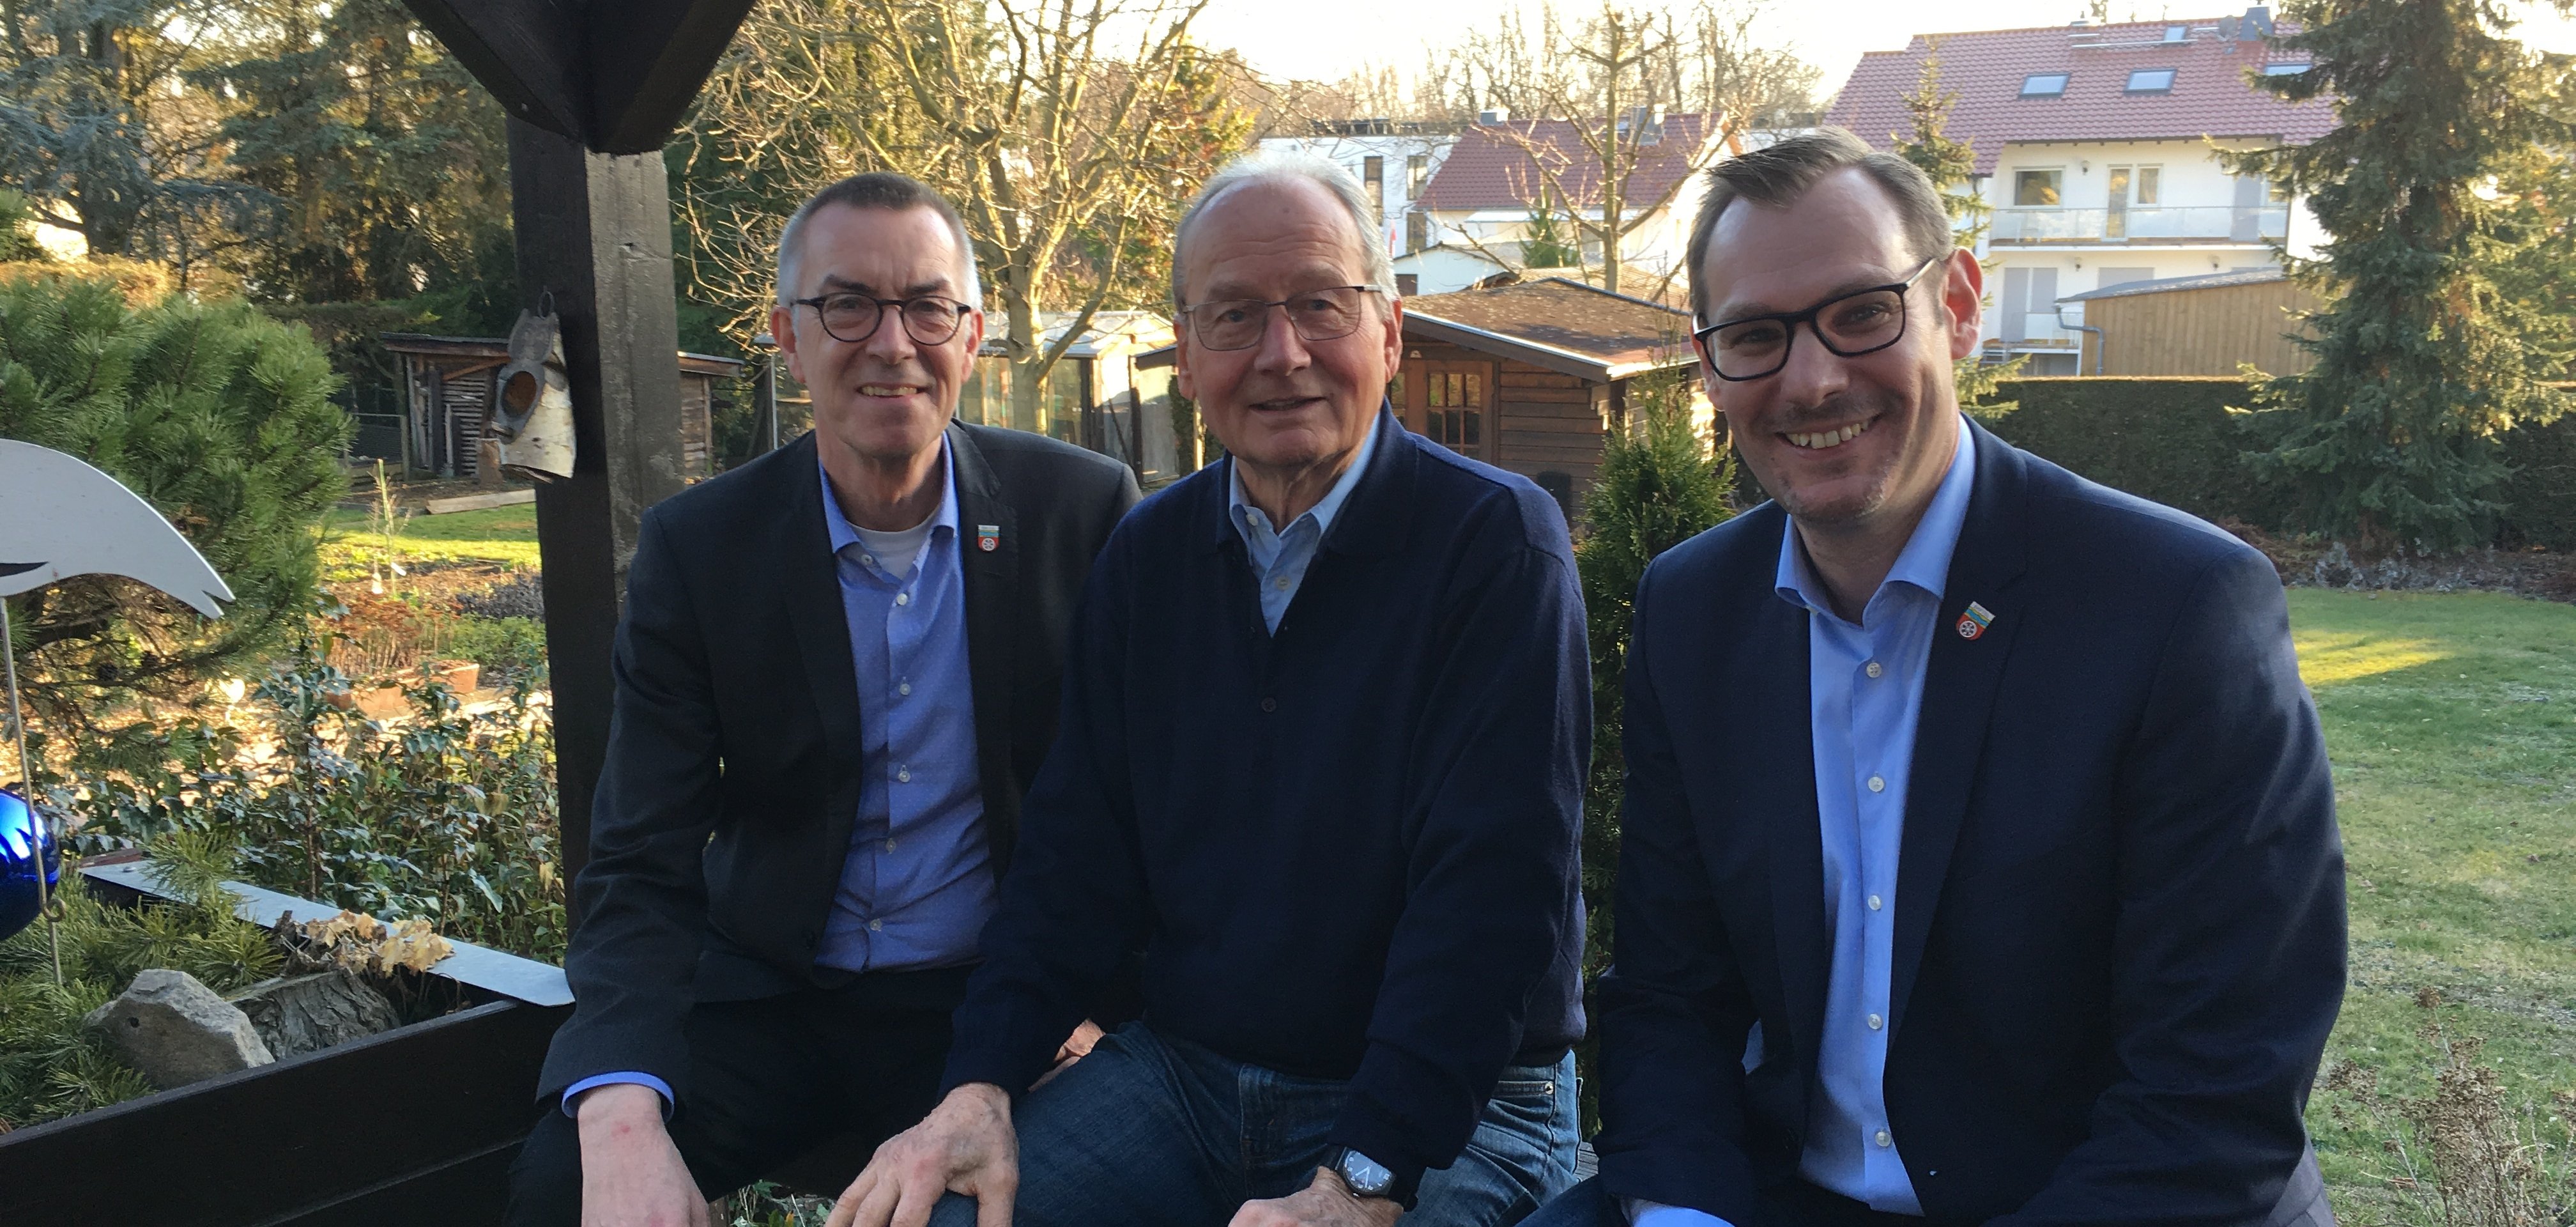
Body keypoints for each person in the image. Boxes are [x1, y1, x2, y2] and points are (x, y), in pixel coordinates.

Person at [1528, 128, 2346, 1227]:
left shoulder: (2176, 607)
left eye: (1861, 312)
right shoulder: (1695, 609)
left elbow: (2215, 1092)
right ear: (1710, 365)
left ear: (1956, 305)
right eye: (1757, 336)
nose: (1812, 380)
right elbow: (1673, 994)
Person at [828, 151, 1592, 1227]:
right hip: (1191, 1079)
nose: (1283, 355)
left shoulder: (1495, 545)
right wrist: (980, 1085)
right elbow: (1074, 859)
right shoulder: (1149, 557)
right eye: (1235, 316)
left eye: (1320, 305)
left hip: (1459, 1107)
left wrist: (1364, 1179)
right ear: (1185, 355)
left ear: (1390, 331)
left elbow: (1492, 902)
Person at [509, 171, 1140, 1227]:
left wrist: (1078, 1002)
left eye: (927, 306)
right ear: (787, 339)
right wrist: (618, 1110)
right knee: (562, 1196)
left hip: (991, 1000)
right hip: (770, 996)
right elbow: (641, 853)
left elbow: (1137, 802)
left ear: (972, 333)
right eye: (848, 305)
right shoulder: (701, 550)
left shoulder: (1079, 511)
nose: (892, 343)